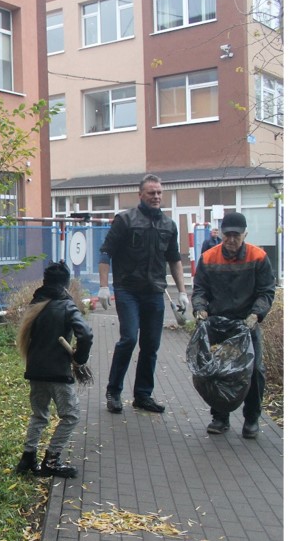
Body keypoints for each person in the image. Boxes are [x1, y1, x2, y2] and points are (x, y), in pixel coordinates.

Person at [96, 174, 188, 414]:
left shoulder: (168, 225)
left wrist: (182, 292)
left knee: (151, 345)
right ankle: (114, 391)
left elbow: (174, 259)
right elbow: (106, 253)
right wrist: (104, 286)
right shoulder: (125, 220)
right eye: (151, 193)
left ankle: (143, 395)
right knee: (129, 338)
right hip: (128, 290)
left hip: (155, 292)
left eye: (159, 192)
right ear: (140, 195)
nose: (156, 196)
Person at [191, 212, 276, 439]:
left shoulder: (258, 257)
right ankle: (220, 417)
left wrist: (256, 314)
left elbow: (266, 291)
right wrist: (200, 308)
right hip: (217, 324)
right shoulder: (209, 258)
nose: (230, 240)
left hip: (246, 324)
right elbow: (200, 289)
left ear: (244, 234)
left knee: (254, 371)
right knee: (217, 370)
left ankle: (251, 419)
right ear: (220, 234)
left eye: (236, 236)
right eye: (227, 235)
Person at [15, 261, 93, 479]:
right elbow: (86, 334)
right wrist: (79, 358)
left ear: (45, 282)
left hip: (35, 370)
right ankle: (51, 461)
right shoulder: (67, 306)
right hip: (58, 372)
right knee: (71, 415)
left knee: (39, 415)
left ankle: (28, 458)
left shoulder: (35, 305)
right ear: (66, 284)